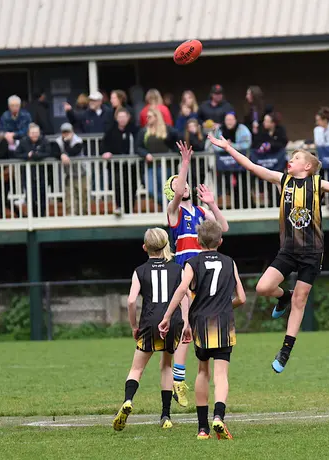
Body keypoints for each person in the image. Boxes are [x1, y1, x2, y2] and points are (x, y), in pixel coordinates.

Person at [207, 133, 329, 373]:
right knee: (264, 288)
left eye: (295, 158)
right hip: (288, 250)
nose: (290, 160)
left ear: (307, 166)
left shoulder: (318, 184)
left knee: (300, 300)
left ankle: (285, 349)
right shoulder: (282, 180)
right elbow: (252, 166)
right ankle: (283, 296)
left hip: (312, 252)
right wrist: (228, 148)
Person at [159, 220, 246, 440]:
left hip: (200, 322)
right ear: (220, 241)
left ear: (198, 241)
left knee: (202, 371)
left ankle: (202, 428)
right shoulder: (230, 262)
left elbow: (181, 290)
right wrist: (227, 306)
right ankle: (219, 416)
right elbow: (242, 298)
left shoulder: (192, 262)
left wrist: (168, 316)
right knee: (221, 374)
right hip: (224, 321)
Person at [162, 142, 229, 406]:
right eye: (179, 184)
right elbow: (179, 190)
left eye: (185, 182)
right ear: (174, 190)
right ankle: (178, 380)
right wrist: (185, 163)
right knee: (187, 323)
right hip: (184, 270)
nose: (185, 186)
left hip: (202, 270)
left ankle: (179, 378)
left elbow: (223, 227)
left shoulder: (201, 211)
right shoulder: (173, 211)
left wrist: (213, 204)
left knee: (194, 327)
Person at [112, 228, 189, 432]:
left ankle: (128, 400)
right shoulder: (177, 268)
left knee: (137, 369)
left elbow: (130, 301)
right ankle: (165, 415)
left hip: (149, 322)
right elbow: (186, 296)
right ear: (166, 245)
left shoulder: (140, 270)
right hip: (173, 322)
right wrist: (186, 323)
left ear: (144, 247)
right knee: (166, 366)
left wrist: (134, 326)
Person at [136, 108, 180, 204]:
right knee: (151, 189)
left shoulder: (168, 129)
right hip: (150, 166)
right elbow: (138, 147)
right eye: (147, 116)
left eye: (150, 116)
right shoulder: (144, 131)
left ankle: (170, 208)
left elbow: (176, 142)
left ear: (157, 117)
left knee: (166, 189)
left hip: (166, 165)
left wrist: (180, 151)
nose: (147, 118)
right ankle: (168, 205)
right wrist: (145, 154)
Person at [101, 108, 138, 215]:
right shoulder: (111, 131)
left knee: (131, 186)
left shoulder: (134, 130)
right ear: (116, 118)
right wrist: (106, 152)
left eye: (124, 117)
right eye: (120, 117)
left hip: (131, 165)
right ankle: (119, 206)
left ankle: (129, 209)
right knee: (118, 185)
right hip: (116, 165)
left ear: (128, 117)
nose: (122, 119)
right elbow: (104, 146)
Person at [15, 123, 51, 217]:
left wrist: (36, 155)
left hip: (42, 173)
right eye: (32, 133)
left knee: (42, 196)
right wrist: (27, 155)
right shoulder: (23, 142)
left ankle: (42, 216)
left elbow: (48, 152)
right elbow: (17, 154)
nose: (34, 134)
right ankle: (34, 215)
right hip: (28, 174)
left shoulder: (44, 141)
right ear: (28, 133)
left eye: (36, 132)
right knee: (30, 197)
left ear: (39, 133)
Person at [53, 123, 87, 216]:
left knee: (83, 198)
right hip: (69, 175)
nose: (66, 134)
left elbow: (73, 152)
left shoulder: (78, 141)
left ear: (72, 132)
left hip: (82, 174)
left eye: (68, 132)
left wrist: (66, 143)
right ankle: (71, 217)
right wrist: (61, 155)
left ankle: (83, 218)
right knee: (69, 199)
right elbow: (54, 152)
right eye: (64, 132)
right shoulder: (58, 141)